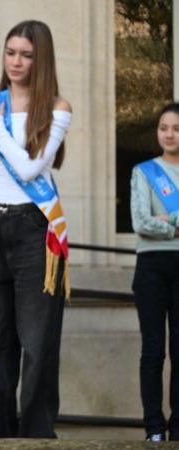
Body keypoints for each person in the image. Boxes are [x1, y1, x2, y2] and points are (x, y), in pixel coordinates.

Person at [0, 20, 72, 438]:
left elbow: (28, 167)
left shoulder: (57, 109)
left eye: (26, 54)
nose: (16, 62)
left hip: (35, 229)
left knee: (38, 344)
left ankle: (37, 439)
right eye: (10, 52)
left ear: (40, 59)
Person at [130, 102, 179, 442]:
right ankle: (153, 427)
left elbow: (156, 220)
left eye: (176, 128)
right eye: (164, 127)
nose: (169, 134)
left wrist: (168, 220)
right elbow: (141, 222)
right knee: (153, 350)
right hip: (150, 266)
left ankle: (178, 425)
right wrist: (175, 228)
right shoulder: (143, 171)